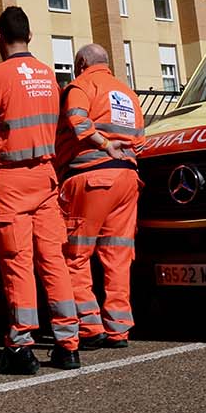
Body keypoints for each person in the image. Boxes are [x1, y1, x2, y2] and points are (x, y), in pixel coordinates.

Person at [0, 6, 81, 374]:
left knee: (17, 263)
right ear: (30, 37)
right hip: (46, 177)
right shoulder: (49, 76)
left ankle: (21, 345)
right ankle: (68, 343)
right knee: (53, 261)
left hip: (12, 178)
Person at [55, 44, 144, 349]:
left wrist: (103, 144)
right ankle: (119, 328)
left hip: (90, 176)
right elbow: (140, 139)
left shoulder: (80, 86)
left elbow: (79, 123)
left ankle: (90, 326)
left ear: (81, 64)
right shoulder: (127, 93)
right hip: (128, 179)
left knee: (75, 256)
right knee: (118, 255)